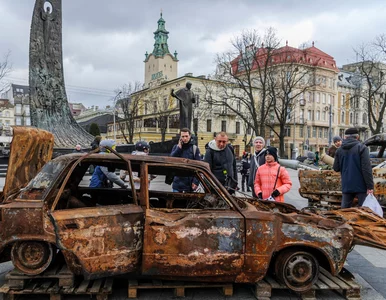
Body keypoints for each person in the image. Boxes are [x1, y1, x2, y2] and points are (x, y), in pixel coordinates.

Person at [333, 127, 374, 208]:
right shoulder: (362, 148)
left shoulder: (339, 150)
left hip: (347, 185)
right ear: (357, 137)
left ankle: (345, 221)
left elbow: (336, 168)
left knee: (345, 211)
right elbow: (366, 169)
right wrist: (370, 186)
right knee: (364, 211)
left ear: (345, 137)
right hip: (361, 186)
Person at [170, 128, 201, 192]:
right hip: (177, 184)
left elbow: (199, 167)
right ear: (180, 137)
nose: (185, 138)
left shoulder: (194, 149)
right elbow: (171, 160)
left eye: (186, 136)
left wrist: (196, 182)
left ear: (190, 136)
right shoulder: (176, 147)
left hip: (189, 184)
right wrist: (179, 148)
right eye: (183, 136)